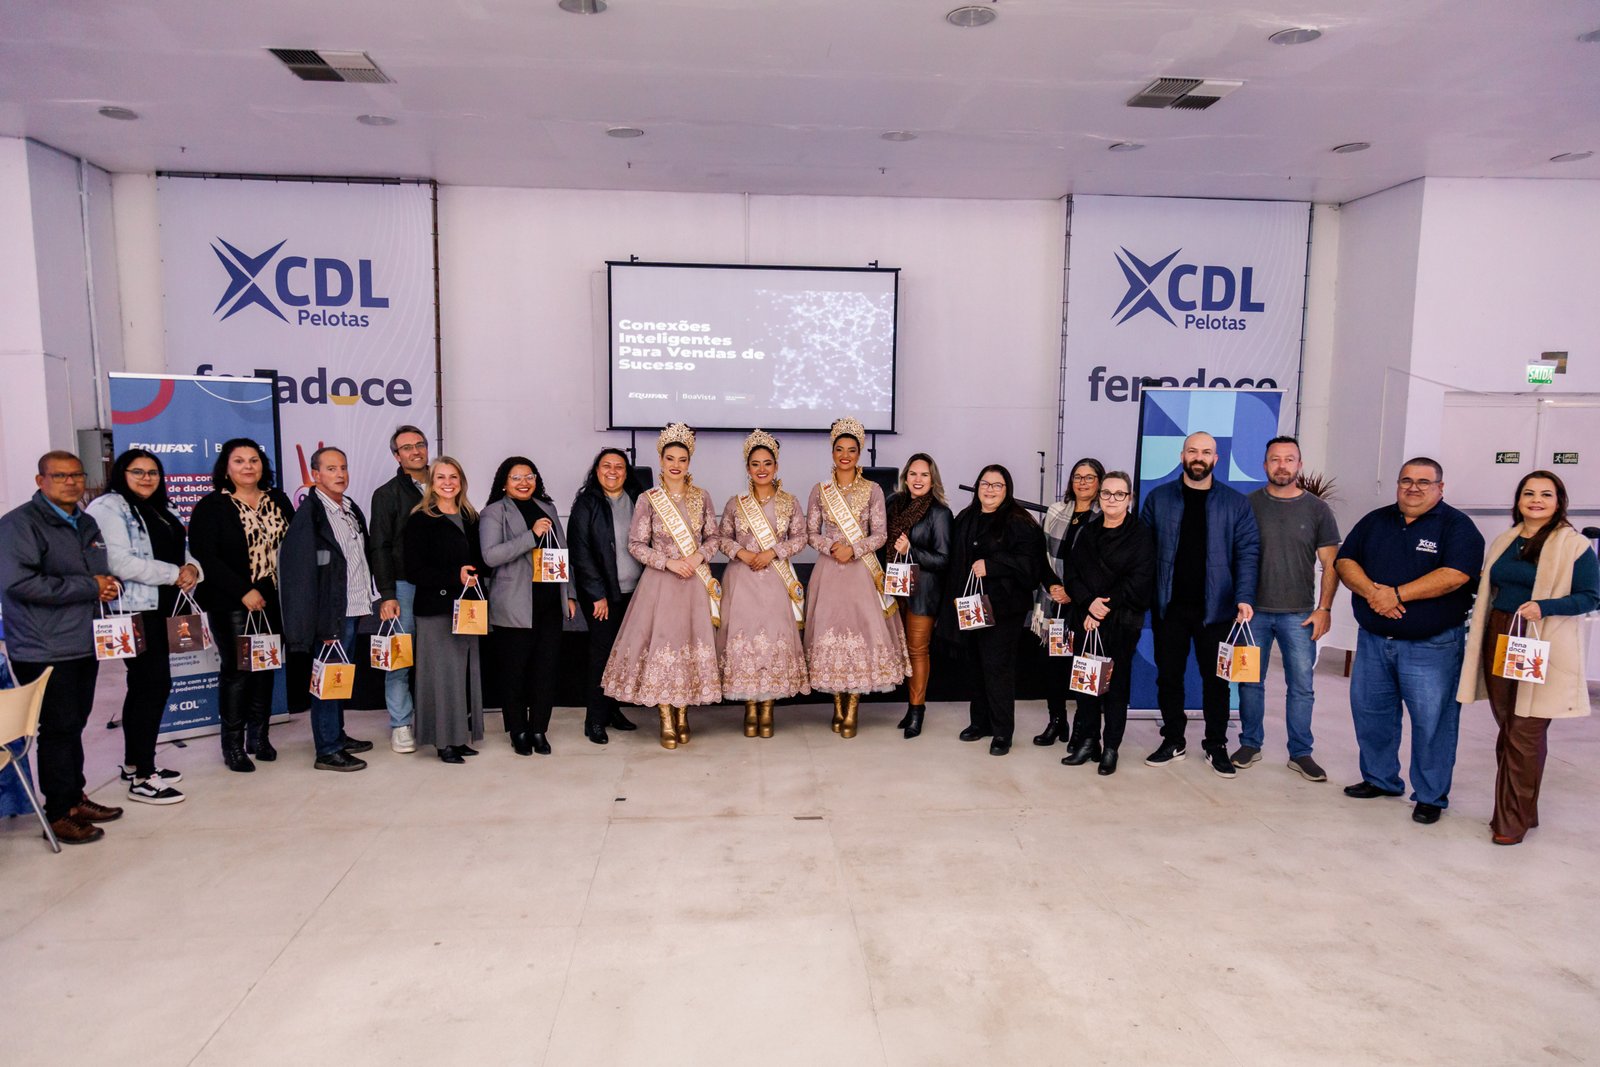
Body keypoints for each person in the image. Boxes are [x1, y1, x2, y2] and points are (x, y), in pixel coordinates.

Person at [1335, 457, 1483, 825]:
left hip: (1431, 647)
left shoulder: (1458, 527)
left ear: (1440, 488)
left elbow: (1455, 575)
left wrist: (1397, 595)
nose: (1413, 488)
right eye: (1406, 481)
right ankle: (1380, 779)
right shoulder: (1375, 520)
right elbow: (1345, 561)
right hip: (1373, 641)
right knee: (1371, 714)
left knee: (1433, 722)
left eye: (1423, 482)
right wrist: (1373, 593)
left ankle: (1431, 795)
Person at [1456, 471, 1597, 844]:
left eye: (1546, 494)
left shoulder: (1573, 545)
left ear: (1559, 501)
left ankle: (1510, 821)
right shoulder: (1506, 540)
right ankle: (1525, 808)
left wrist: (1545, 606)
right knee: (1510, 726)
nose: (1536, 500)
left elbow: (1591, 596)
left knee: (1525, 729)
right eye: (1529, 493)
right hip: (1501, 634)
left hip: (1539, 638)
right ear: (1518, 500)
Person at [0, 451, 122, 843]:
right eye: (60, 476)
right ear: (41, 481)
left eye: (76, 475)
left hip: (84, 639)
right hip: (42, 645)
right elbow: (19, 583)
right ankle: (58, 813)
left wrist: (106, 585)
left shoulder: (84, 521)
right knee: (57, 728)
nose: (70, 482)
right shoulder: (19, 524)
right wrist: (90, 587)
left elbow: (95, 571)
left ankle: (74, 797)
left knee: (74, 723)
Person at [1138, 431, 1260, 778]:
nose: (1198, 457)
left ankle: (1216, 744)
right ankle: (1173, 740)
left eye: (1206, 452)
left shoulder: (1235, 503)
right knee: (1169, 678)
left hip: (1218, 610)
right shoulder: (1159, 499)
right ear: (1182, 456)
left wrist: (1244, 597)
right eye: (1192, 451)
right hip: (1170, 608)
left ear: (1215, 459)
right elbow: (1143, 552)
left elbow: (1248, 552)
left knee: (1217, 682)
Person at [86, 449, 203, 804]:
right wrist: (173, 573)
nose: (147, 478)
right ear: (121, 473)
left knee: (144, 687)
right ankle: (143, 778)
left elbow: (183, 550)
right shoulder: (108, 507)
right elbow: (118, 561)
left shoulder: (162, 507)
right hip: (136, 611)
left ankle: (134, 763)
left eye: (153, 472)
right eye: (137, 471)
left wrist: (192, 569)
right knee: (152, 686)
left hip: (165, 607)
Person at [601, 423, 723, 748]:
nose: (676, 465)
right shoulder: (649, 499)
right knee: (664, 649)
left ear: (689, 462)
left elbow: (713, 538)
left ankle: (683, 714)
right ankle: (666, 717)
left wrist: (696, 557)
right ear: (661, 460)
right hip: (660, 584)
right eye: (670, 458)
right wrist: (668, 563)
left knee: (689, 648)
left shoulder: (702, 497)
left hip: (694, 582)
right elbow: (636, 544)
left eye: (682, 459)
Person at [1232, 436, 1342, 781]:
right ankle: (1250, 743)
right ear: (1265, 465)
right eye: (1275, 459)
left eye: (1289, 459)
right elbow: (1233, 557)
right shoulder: (1247, 505)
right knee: (1249, 682)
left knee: (1302, 687)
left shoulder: (1317, 509)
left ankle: (1301, 752)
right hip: (1252, 615)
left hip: (1300, 615)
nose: (1282, 466)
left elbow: (1332, 563)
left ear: (1299, 464)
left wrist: (1324, 609)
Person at [190, 439, 296, 772]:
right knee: (238, 672)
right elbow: (207, 556)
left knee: (266, 667)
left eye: (254, 460)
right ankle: (233, 746)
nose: (248, 466)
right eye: (239, 461)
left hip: (274, 598)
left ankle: (259, 738)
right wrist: (243, 591)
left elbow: (294, 545)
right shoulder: (212, 506)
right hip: (232, 602)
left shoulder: (278, 499)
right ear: (226, 468)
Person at [804, 416, 910, 738]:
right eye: (840, 449)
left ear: (859, 453)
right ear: (832, 452)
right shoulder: (820, 491)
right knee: (831, 634)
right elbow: (810, 533)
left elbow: (880, 534)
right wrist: (831, 546)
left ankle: (852, 709)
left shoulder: (873, 490)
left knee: (859, 637)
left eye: (851, 450)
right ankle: (837, 705)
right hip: (828, 571)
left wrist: (854, 549)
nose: (845, 455)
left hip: (861, 571)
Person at [280, 446, 377, 772]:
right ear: (316, 475)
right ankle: (328, 750)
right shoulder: (311, 515)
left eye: (343, 468)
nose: (340, 474)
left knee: (339, 677)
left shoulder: (349, 507)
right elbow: (301, 573)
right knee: (327, 678)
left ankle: (337, 734)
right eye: (331, 468)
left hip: (353, 605)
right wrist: (316, 620)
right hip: (330, 612)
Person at [942, 464, 1046, 755]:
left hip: (1004, 609)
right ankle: (980, 723)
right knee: (975, 665)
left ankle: (1002, 732)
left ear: (1007, 489)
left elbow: (1031, 566)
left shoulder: (1020, 521)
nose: (990, 490)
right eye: (985, 484)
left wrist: (993, 566)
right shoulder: (967, 517)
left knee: (997, 668)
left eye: (997, 485)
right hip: (971, 606)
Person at [1057, 471, 1155, 775]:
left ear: (1129, 498)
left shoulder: (1140, 535)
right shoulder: (1088, 532)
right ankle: (1089, 742)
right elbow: (1072, 574)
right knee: (1086, 684)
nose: (1112, 499)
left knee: (1115, 687)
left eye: (1119, 494)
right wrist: (1089, 603)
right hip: (1086, 620)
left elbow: (1139, 581)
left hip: (1121, 623)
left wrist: (1102, 608)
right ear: (1099, 497)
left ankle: (1111, 747)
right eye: (1107, 493)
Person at [716, 430, 810, 737]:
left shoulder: (789, 502)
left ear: (776, 466)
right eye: (755, 464)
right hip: (741, 579)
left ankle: (767, 708)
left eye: (767, 463)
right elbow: (721, 538)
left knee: (771, 641)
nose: (761, 469)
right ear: (747, 468)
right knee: (744, 641)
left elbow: (801, 538)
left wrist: (773, 552)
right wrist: (742, 553)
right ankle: (748, 707)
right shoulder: (735, 504)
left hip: (775, 580)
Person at [479, 456, 576, 756]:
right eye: (516, 478)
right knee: (515, 672)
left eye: (529, 476)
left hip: (549, 602)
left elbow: (563, 552)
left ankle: (538, 730)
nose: (524, 482)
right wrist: (531, 536)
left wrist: (569, 594)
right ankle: (518, 730)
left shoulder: (547, 508)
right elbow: (491, 556)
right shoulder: (493, 512)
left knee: (545, 671)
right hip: (514, 604)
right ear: (504, 484)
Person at [404, 457, 487, 764]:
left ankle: (458, 736)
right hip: (436, 609)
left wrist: (475, 574)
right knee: (440, 676)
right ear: (432, 482)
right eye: (441, 477)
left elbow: (480, 559)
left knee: (462, 674)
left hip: (467, 607)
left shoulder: (470, 517)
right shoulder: (420, 519)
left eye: (453, 477)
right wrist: (455, 576)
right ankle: (443, 742)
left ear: (461, 481)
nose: (448, 482)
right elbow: (414, 570)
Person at [567, 448, 643, 744]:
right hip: (602, 596)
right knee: (602, 656)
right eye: (606, 466)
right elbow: (580, 553)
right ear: (596, 471)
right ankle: (595, 720)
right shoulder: (586, 503)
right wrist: (596, 594)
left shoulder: (638, 499)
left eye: (619, 466)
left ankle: (613, 711)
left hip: (636, 593)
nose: (613, 471)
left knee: (623, 656)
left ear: (627, 472)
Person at [882, 453, 952, 739]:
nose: (918, 479)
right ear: (905, 477)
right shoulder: (893, 504)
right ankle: (909, 707)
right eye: (913, 474)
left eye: (924, 474)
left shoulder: (939, 513)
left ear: (932, 480)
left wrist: (911, 550)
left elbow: (944, 559)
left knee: (917, 651)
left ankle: (916, 711)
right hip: (894, 589)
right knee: (900, 650)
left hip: (923, 594)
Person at [369, 425, 429, 754]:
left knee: (436, 656)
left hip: (440, 587)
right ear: (397, 456)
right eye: (407, 447)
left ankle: (436, 719)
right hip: (404, 586)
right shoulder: (387, 494)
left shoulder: (445, 482)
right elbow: (379, 546)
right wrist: (387, 594)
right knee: (400, 657)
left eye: (420, 444)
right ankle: (401, 724)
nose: (415, 451)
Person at [1038, 458, 1103, 747]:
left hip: (1084, 606)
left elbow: (1101, 567)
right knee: (1054, 667)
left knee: (1082, 667)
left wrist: (1074, 592)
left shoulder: (1104, 516)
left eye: (1089, 477)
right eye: (1078, 476)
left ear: (1099, 482)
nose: (1082, 482)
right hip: (1054, 603)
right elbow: (1040, 555)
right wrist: (1053, 585)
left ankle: (1082, 728)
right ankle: (1056, 721)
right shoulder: (1055, 511)